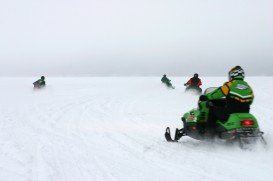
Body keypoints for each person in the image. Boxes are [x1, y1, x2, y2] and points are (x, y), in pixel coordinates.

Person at [199, 66, 254, 132]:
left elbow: (217, 93)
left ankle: (209, 133)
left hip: (229, 113)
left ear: (232, 74)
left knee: (212, 110)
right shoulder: (248, 87)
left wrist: (206, 96)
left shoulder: (230, 85)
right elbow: (251, 100)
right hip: (245, 112)